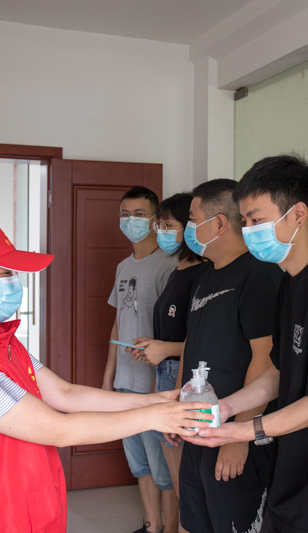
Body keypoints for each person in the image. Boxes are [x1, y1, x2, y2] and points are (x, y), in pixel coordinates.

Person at [0, 215, 213, 532]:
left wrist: (153, 401)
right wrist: (158, 417)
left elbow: (65, 394)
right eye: (4, 273)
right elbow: (59, 429)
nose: (14, 281)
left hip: (28, 512)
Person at [183, 155, 308, 533]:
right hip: (291, 471)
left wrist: (244, 431)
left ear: (298, 214)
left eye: (256, 220)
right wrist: (227, 407)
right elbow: (278, 371)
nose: (249, 231)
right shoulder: (290, 280)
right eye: (245, 221)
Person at [169, 178, 282, 533]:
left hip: (234, 433)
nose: (188, 228)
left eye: (192, 219)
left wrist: (241, 436)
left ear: (218, 223)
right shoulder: (205, 274)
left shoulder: (260, 275)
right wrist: (178, 406)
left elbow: (265, 358)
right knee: (195, 522)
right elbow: (192, 342)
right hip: (199, 429)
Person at [128, 192, 207, 533]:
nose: (160, 232)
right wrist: (155, 346)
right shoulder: (178, 269)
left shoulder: (203, 272)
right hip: (166, 372)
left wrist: (166, 349)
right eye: (158, 224)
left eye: (168, 225)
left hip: (183, 375)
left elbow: (206, 340)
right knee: (174, 471)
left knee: (184, 474)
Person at [102, 186, 178, 533]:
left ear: (155, 219)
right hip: (124, 382)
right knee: (140, 465)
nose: (130, 221)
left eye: (139, 214)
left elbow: (174, 330)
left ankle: (170, 527)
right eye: (124, 214)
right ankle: (152, 526)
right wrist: (109, 378)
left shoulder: (169, 266)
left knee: (165, 470)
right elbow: (118, 322)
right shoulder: (122, 266)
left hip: (155, 382)